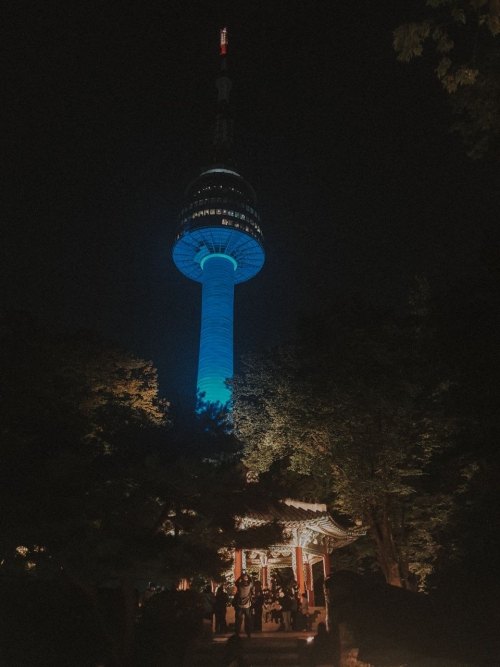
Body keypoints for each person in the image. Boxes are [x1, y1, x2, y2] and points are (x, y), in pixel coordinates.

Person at [234, 572, 254, 638]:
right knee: (248, 619)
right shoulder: (249, 585)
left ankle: (237, 632)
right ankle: (248, 633)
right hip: (247, 605)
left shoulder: (240, 585)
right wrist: (248, 576)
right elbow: (252, 581)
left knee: (238, 620)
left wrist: (241, 576)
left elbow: (236, 582)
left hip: (240, 604)